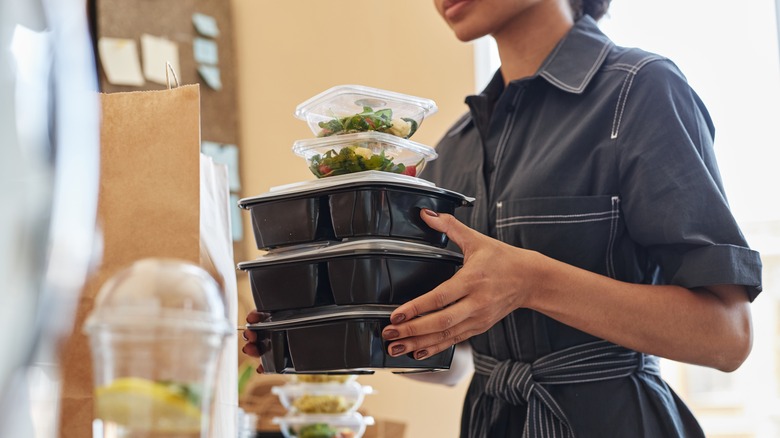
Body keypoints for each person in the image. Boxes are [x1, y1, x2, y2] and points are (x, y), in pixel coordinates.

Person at [243, 0, 763, 436]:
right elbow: (457, 363)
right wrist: (326, 327)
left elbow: (726, 336)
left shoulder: (642, 90)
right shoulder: (455, 146)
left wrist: (532, 282)